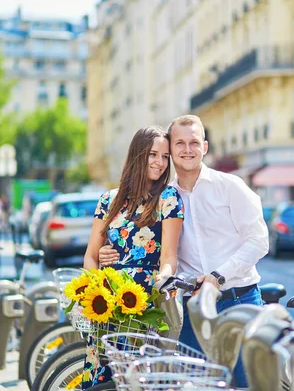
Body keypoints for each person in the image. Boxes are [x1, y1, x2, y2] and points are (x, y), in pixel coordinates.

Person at [99, 115, 269, 388]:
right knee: (191, 384)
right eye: (179, 143)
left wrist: (218, 276)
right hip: (193, 308)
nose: (187, 149)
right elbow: (143, 244)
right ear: (170, 149)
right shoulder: (164, 198)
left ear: (205, 147)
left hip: (238, 299)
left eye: (193, 142)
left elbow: (259, 240)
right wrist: (108, 253)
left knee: (245, 384)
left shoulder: (230, 187)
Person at [81, 126, 184, 389]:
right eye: (153, 154)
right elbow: (91, 256)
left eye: (164, 157)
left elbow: (170, 255)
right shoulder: (108, 200)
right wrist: (99, 292)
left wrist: (164, 277)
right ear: (138, 155)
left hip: (144, 306)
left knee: (136, 380)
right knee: (103, 376)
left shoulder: (168, 199)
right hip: (108, 305)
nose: (160, 163)